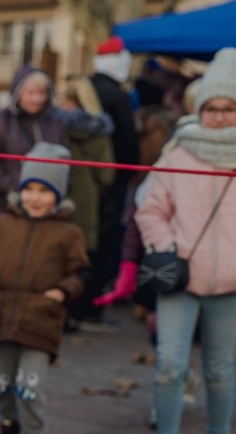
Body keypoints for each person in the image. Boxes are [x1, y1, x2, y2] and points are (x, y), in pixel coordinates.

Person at [135, 48, 236, 434]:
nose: (218, 116)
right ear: (200, 108)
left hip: (234, 278)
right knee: (170, 365)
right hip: (181, 275)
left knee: (219, 370)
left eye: (229, 107)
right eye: (211, 107)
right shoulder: (178, 152)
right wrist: (166, 248)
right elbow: (150, 207)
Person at [0, 142, 90, 434]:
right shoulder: (2, 223)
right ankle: (8, 426)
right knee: (0, 382)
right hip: (1, 315)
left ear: (58, 194)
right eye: (30, 189)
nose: (36, 198)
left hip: (40, 320)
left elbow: (81, 271)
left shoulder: (68, 231)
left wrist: (61, 291)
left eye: (45, 190)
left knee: (30, 386)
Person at [54, 76, 116, 329]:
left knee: (55, 255)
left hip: (56, 196)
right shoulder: (100, 130)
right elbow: (107, 175)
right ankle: (77, 312)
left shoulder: (54, 126)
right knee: (81, 257)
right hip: (87, 200)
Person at [88, 36, 140, 328]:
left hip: (89, 179)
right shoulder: (117, 95)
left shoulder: (89, 88)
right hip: (111, 178)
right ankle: (92, 306)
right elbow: (128, 140)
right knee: (105, 239)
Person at [0, 65, 69, 224]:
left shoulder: (54, 123)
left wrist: (54, 191)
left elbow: (65, 160)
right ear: (17, 93)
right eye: (30, 93)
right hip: (3, 207)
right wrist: (16, 187)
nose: (36, 99)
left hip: (47, 209)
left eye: (42, 93)